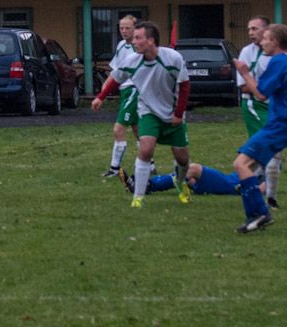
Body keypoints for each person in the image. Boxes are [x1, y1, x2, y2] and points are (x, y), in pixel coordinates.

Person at [94, 22, 191, 207]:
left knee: (182, 159)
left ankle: (180, 182)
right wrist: (100, 97)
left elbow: (185, 85)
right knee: (146, 150)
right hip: (148, 111)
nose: (134, 42)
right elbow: (116, 79)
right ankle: (138, 198)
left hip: (172, 113)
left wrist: (179, 114)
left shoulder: (173, 58)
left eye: (138, 38)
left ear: (151, 40)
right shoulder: (132, 60)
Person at [232, 24, 287, 233]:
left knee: (241, 164)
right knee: (249, 166)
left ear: (274, 42)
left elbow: (260, 94)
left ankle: (259, 213)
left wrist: (244, 72)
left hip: (279, 125)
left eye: (265, 39)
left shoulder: (278, 61)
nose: (261, 42)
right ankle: (258, 207)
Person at [235, 16, 283, 209]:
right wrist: (265, 88)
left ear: (266, 31)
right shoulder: (247, 52)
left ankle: (249, 181)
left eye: (254, 29)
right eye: (249, 29)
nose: (250, 33)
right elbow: (244, 86)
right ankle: (266, 195)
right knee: (270, 146)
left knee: (267, 148)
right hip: (254, 104)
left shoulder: (279, 56)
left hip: (273, 105)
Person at [95, 15, 143, 178]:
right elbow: (117, 69)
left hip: (133, 90)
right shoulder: (121, 45)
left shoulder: (139, 48)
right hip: (124, 90)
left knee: (119, 128)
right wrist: (106, 86)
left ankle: (114, 168)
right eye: (121, 28)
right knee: (137, 128)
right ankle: (149, 164)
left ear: (135, 28)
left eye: (127, 28)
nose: (124, 31)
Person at [121, 162, 263, 197]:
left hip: (230, 185)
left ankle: (143, 185)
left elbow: (264, 189)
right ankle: (145, 185)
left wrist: (243, 189)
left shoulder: (270, 169)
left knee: (193, 169)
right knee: (188, 177)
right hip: (229, 180)